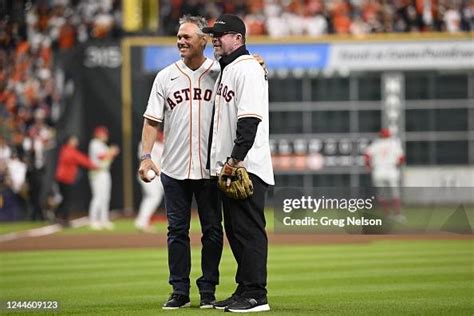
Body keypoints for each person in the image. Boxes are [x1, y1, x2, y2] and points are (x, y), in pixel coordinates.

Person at [138, 15, 224, 310]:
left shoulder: (221, 72)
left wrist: (257, 64)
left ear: (204, 40)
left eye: (187, 36)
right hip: (173, 168)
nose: (181, 41)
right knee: (176, 231)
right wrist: (146, 156)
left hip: (211, 168)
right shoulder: (165, 76)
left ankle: (209, 290)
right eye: (178, 37)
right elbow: (151, 121)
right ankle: (179, 290)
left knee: (213, 230)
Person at [203, 14, 275, 313]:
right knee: (236, 231)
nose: (215, 39)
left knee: (249, 231)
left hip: (246, 166)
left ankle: (257, 294)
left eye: (221, 34)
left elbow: (249, 121)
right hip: (231, 167)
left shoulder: (247, 69)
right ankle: (244, 288)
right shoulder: (229, 69)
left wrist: (234, 160)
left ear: (239, 38)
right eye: (213, 35)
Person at [364, 128, 406, 223]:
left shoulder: (376, 143)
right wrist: (397, 165)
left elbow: (367, 156)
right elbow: (401, 158)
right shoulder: (394, 143)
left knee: (382, 194)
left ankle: (387, 215)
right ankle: (398, 215)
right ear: (389, 135)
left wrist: (368, 166)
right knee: (395, 193)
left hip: (378, 170)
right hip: (391, 169)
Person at [55, 135, 97, 226]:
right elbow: (81, 159)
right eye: (74, 140)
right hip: (64, 178)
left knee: (65, 199)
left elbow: (81, 159)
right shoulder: (69, 151)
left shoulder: (67, 150)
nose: (76, 141)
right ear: (69, 141)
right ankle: (63, 219)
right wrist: (95, 166)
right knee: (67, 199)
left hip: (64, 178)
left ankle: (58, 216)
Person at [88, 126, 119, 230]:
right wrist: (112, 151)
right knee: (98, 197)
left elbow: (108, 157)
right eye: (103, 133)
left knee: (105, 197)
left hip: (105, 172)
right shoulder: (94, 143)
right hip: (97, 172)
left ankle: (103, 220)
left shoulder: (103, 145)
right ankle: (93, 220)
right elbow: (101, 156)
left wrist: (110, 152)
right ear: (98, 134)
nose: (105, 135)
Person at [135, 130, 165, 233]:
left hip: (157, 177)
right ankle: (142, 222)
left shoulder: (161, 146)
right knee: (153, 197)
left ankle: (142, 221)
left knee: (151, 198)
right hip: (146, 173)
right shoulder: (144, 144)